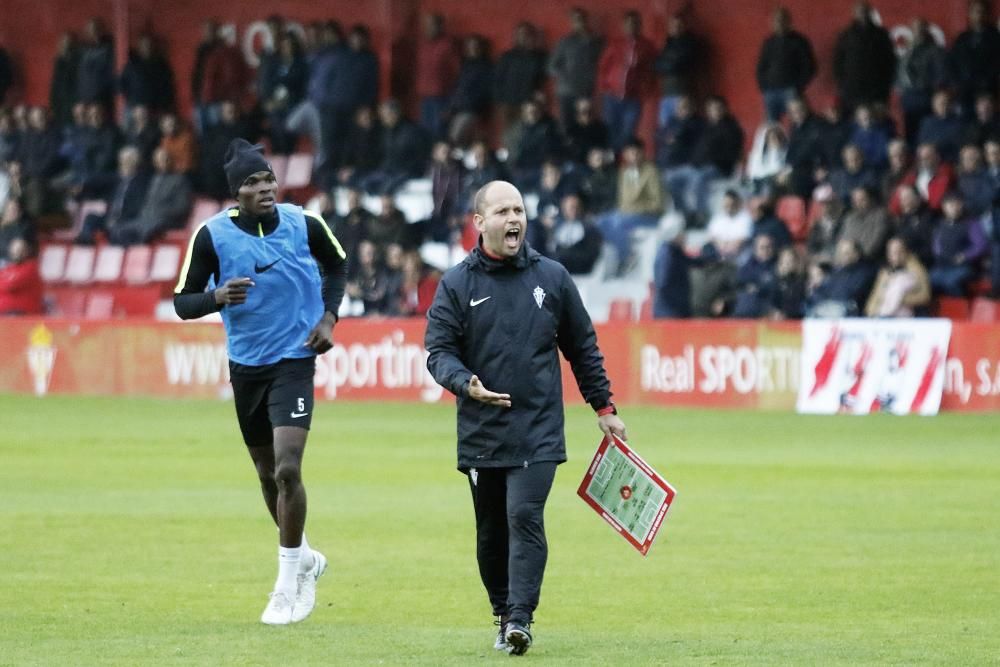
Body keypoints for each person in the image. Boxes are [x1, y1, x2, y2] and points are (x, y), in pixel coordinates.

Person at [425, 180, 626, 657]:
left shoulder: (552, 278)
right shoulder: (456, 283)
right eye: (503, 212)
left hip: (537, 429)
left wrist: (604, 408)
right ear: (479, 223)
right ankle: (501, 611)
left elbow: (582, 347)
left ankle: (520, 618)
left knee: (523, 515)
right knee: (491, 530)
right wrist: (465, 382)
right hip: (480, 431)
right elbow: (439, 352)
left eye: (519, 209)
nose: (514, 219)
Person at [173, 139, 348, 625]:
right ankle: (308, 560)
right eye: (252, 182)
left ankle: (286, 582)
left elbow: (337, 264)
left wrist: (329, 318)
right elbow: (182, 302)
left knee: (289, 469)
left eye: (268, 177)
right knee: (268, 475)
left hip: (295, 358)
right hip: (247, 365)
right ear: (236, 193)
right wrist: (217, 297)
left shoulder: (304, 222)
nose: (265, 187)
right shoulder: (211, 237)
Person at [755, 7, 817, 122]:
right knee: (772, 127)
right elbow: (761, 66)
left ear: (789, 21)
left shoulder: (799, 41)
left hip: (791, 90)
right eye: (776, 21)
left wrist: (798, 86)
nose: (779, 23)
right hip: (770, 91)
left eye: (782, 20)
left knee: (796, 123)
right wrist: (763, 86)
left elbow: (810, 66)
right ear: (771, 23)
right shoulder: (768, 42)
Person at [547, 7, 604, 127]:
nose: (579, 23)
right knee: (566, 125)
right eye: (576, 20)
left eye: (581, 19)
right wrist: (567, 77)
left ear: (586, 20)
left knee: (584, 125)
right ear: (572, 23)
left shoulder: (596, 42)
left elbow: (603, 65)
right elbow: (551, 67)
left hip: (586, 90)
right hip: (566, 91)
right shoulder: (564, 42)